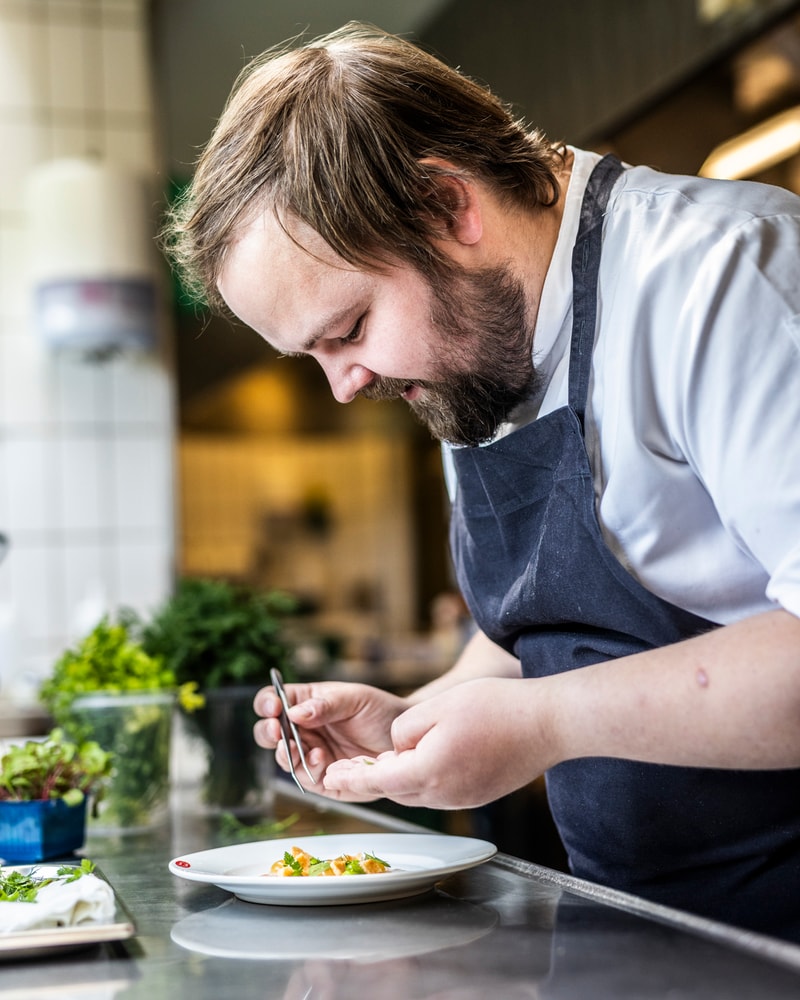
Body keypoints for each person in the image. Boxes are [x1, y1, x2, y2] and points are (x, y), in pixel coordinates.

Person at [162, 23, 800, 941]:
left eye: (348, 329)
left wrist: (541, 725)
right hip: (636, 923)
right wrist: (415, 723)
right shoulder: (472, 348)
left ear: (446, 208)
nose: (345, 385)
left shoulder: (723, 275)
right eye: (313, 356)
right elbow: (539, 628)